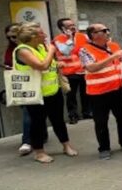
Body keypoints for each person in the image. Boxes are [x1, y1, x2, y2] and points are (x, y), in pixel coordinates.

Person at [12, 23, 77, 164]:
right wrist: (51, 51)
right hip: (35, 94)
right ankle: (39, 152)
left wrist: (57, 64)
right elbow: (41, 65)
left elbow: (49, 65)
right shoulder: (22, 51)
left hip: (53, 91)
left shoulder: (41, 47)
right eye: (42, 33)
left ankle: (66, 145)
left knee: (58, 120)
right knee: (38, 123)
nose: (45, 36)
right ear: (33, 37)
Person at [79, 24, 122, 160]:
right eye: (103, 31)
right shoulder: (85, 50)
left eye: (107, 30)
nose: (107, 32)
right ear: (93, 35)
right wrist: (113, 56)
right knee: (101, 121)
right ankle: (104, 148)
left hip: (118, 89)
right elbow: (91, 68)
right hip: (98, 92)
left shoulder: (114, 46)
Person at [4, 23, 36, 156]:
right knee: (28, 113)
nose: (13, 39)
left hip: (37, 82)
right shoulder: (11, 49)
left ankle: (36, 137)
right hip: (23, 84)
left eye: (15, 36)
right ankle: (27, 141)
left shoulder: (29, 47)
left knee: (36, 113)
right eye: (10, 37)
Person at [53, 18, 92, 124]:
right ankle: (73, 115)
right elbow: (65, 51)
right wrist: (70, 38)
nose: (72, 27)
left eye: (73, 24)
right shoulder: (58, 39)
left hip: (84, 70)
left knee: (86, 93)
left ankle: (87, 112)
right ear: (62, 28)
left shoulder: (83, 36)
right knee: (71, 95)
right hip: (69, 71)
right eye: (69, 26)